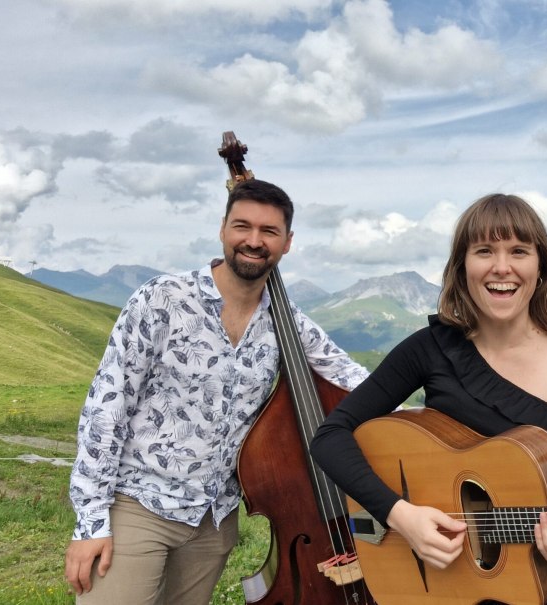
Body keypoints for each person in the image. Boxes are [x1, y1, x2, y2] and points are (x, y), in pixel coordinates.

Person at [63, 179, 369, 604]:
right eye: (242, 226)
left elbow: (354, 380)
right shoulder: (161, 299)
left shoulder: (288, 322)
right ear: (223, 228)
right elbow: (107, 405)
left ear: (287, 243)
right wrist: (91, 523)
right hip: (138, 505)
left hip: (213, 521)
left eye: (269, 232)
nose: (253, 240)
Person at [309, 193, 547, 601]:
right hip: (446, 585)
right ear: (462, 267)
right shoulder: (430, 348)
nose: (501, 267)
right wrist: (401, 516)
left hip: (538, 581)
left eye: (518, 251)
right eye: (484, 251)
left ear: (541, 266)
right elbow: (331, 436)